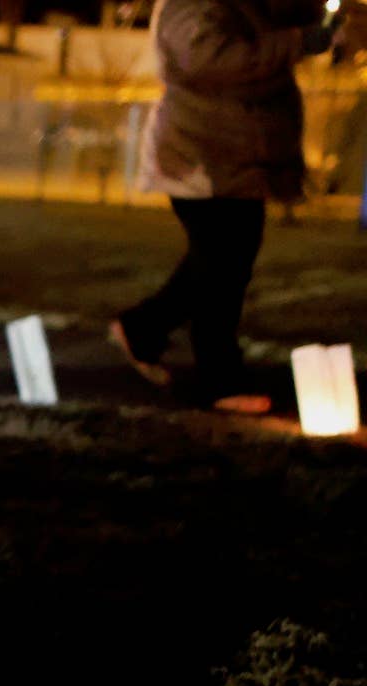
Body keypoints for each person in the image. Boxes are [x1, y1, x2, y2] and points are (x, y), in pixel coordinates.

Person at [111, 0, 357, 414]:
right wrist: (300, 42)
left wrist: (329, 23)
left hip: (234, 154)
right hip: (202, 155)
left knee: (220, 262)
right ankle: (218, 380)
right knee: (221, 268)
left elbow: (280, 21)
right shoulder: (190, 6)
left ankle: (143, 330)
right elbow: (212, 59)